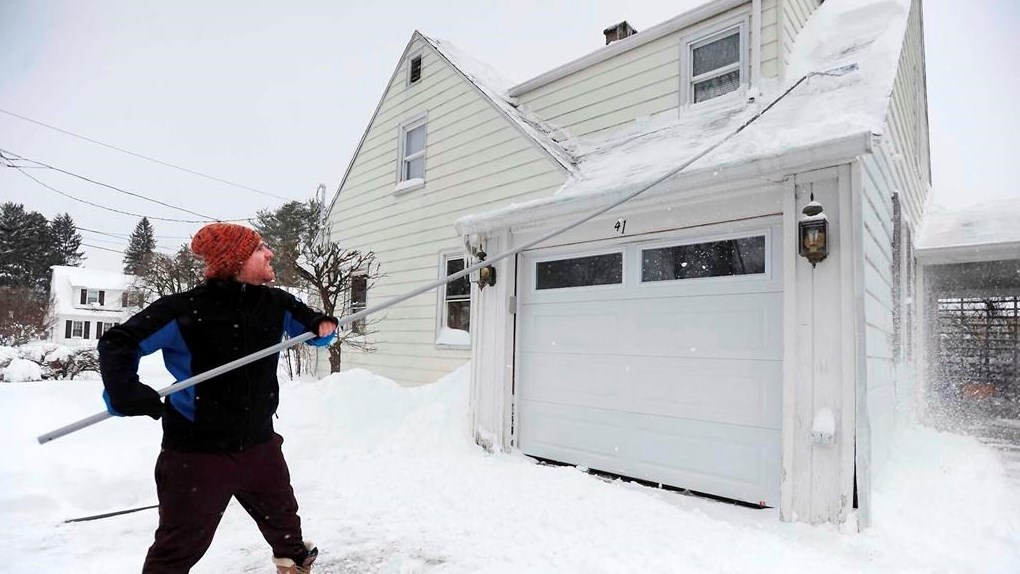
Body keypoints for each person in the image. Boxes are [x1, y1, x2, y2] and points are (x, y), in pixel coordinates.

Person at [98, 222, 338, 574]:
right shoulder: (183, 309)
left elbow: (314, 329)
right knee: (178, 546)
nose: (270, 253)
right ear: (236, 260)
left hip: (259, 444)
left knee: (287, 529)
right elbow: (119, 342)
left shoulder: (274, 303)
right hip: (196, 453)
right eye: (260, 249)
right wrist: (124, 390)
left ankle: (294, 567)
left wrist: (322, 326)